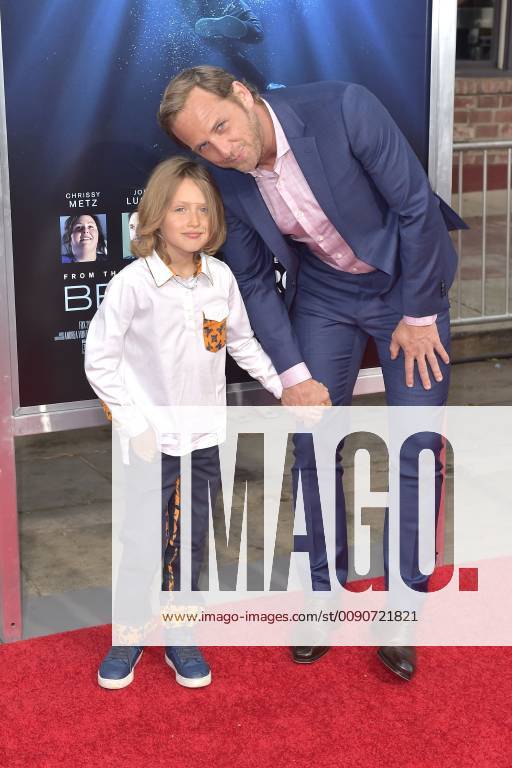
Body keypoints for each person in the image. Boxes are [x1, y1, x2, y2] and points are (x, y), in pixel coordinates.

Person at [157, 65, 467, 681]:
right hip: (324, 295)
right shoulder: (229, 174)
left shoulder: (346, 107)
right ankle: (322, 596)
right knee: (313, 444)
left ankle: (404, 611)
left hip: (405, 282)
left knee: (417, 447)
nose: (223, 151)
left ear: (242, 94)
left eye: (221, 127)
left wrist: (419, 310)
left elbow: (413, 208)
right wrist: (293, 371)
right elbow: (249, 278)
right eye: (203, 147)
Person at [84, 156, 282, 690]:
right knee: (143, 541)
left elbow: (240, 342)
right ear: (156, 216)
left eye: (203, 210)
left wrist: (286, 387)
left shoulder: (219, 279)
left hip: (204, 440)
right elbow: (99, 360)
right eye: (180, 209)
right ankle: (126, 637)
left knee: (192, 541)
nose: (193, 221)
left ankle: (181, 635)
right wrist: (134, 424)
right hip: (149, 444)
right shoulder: (134, 284)